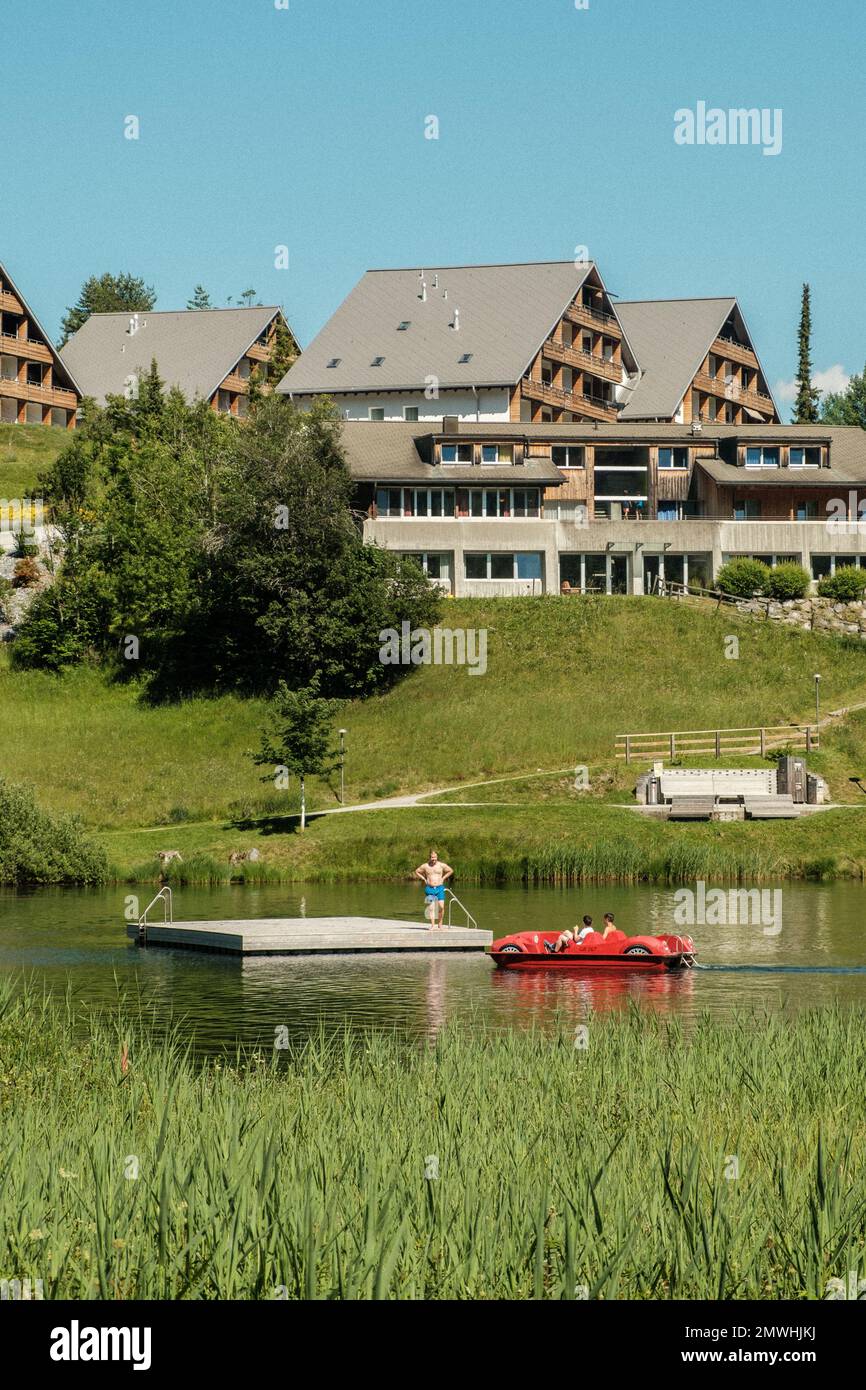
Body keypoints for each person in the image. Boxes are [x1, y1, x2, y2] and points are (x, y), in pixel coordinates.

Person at [414, 850, 454, 929]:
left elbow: (450, 870)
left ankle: (440, 923)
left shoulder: (441, 865)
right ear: (429, 857)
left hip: (439, 888)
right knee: (431, 908)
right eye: (432, 857)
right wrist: (424, 879)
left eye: (435, 857)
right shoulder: (425, 866)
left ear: (437, 857)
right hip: (429, 889)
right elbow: (417, 871)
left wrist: (443, 878)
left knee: (441, 907)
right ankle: (432, 925)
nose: (434, 859)